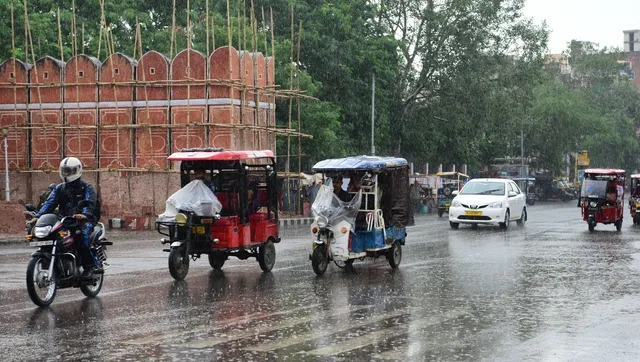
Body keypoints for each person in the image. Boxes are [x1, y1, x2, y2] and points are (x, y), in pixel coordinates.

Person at [30, 157, 99, 278]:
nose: (66, 174)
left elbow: (90, 202)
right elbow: (50, 203)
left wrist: (84, 214)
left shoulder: (86, 187)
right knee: (51, 235)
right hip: (65, 220)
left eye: (69, 171)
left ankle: (90, 266)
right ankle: (57, 263)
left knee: (81, 236)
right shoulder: (59, 188)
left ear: (77, 170)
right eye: (64, 171)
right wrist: (38, 216)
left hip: (84, 220)